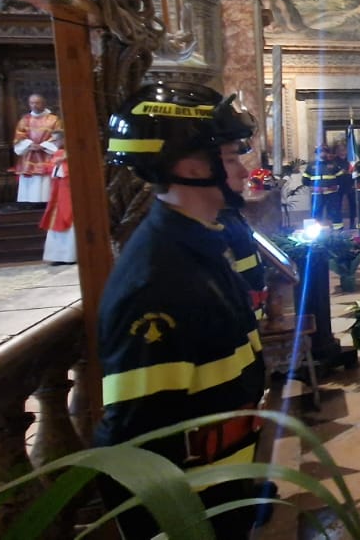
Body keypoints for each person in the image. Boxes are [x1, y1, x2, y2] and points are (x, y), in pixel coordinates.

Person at [97, 83, 265, 539]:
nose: (243, 170)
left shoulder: (198, 246)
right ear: (191, 165)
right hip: (192, 512)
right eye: (230, 157)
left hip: (221, 489)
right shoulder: (156, 286)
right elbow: (138, 445)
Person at [11, 94, 62, 205]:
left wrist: (43, 145)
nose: (34, 105)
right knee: (31, 180)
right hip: (29, 153)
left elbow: (58, 136)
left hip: (47, 154)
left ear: (44, 103)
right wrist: (29, 144)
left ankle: (46, 201)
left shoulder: (54, 119)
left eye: (37, 103)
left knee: (45, 181)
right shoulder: (25, 120)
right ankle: (29, 202)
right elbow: (19, 135)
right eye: (32, 103)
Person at [38, 130, 74, 265]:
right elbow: (52, 169)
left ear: (64, 140)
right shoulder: (58, 153)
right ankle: (58, 256)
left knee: (70, 220)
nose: (55, 143)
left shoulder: (71, 153)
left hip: (69, 193)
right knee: (56, 220)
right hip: (58, 194)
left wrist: (63, 161)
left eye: (56, 140)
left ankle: (70, 255)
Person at [304, 145, 345, 229]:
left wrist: (335, 186)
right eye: (320, 151)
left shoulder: (333, 165)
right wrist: (313, 187)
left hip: (332, 194)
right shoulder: (311, 166)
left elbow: (341, 178)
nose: (322, 153)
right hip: (317, 195)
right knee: (316, 214)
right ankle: (317, 234)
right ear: (316, 153)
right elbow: (305, 180)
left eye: (324, 151)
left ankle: (339, 233)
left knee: (335, 213)